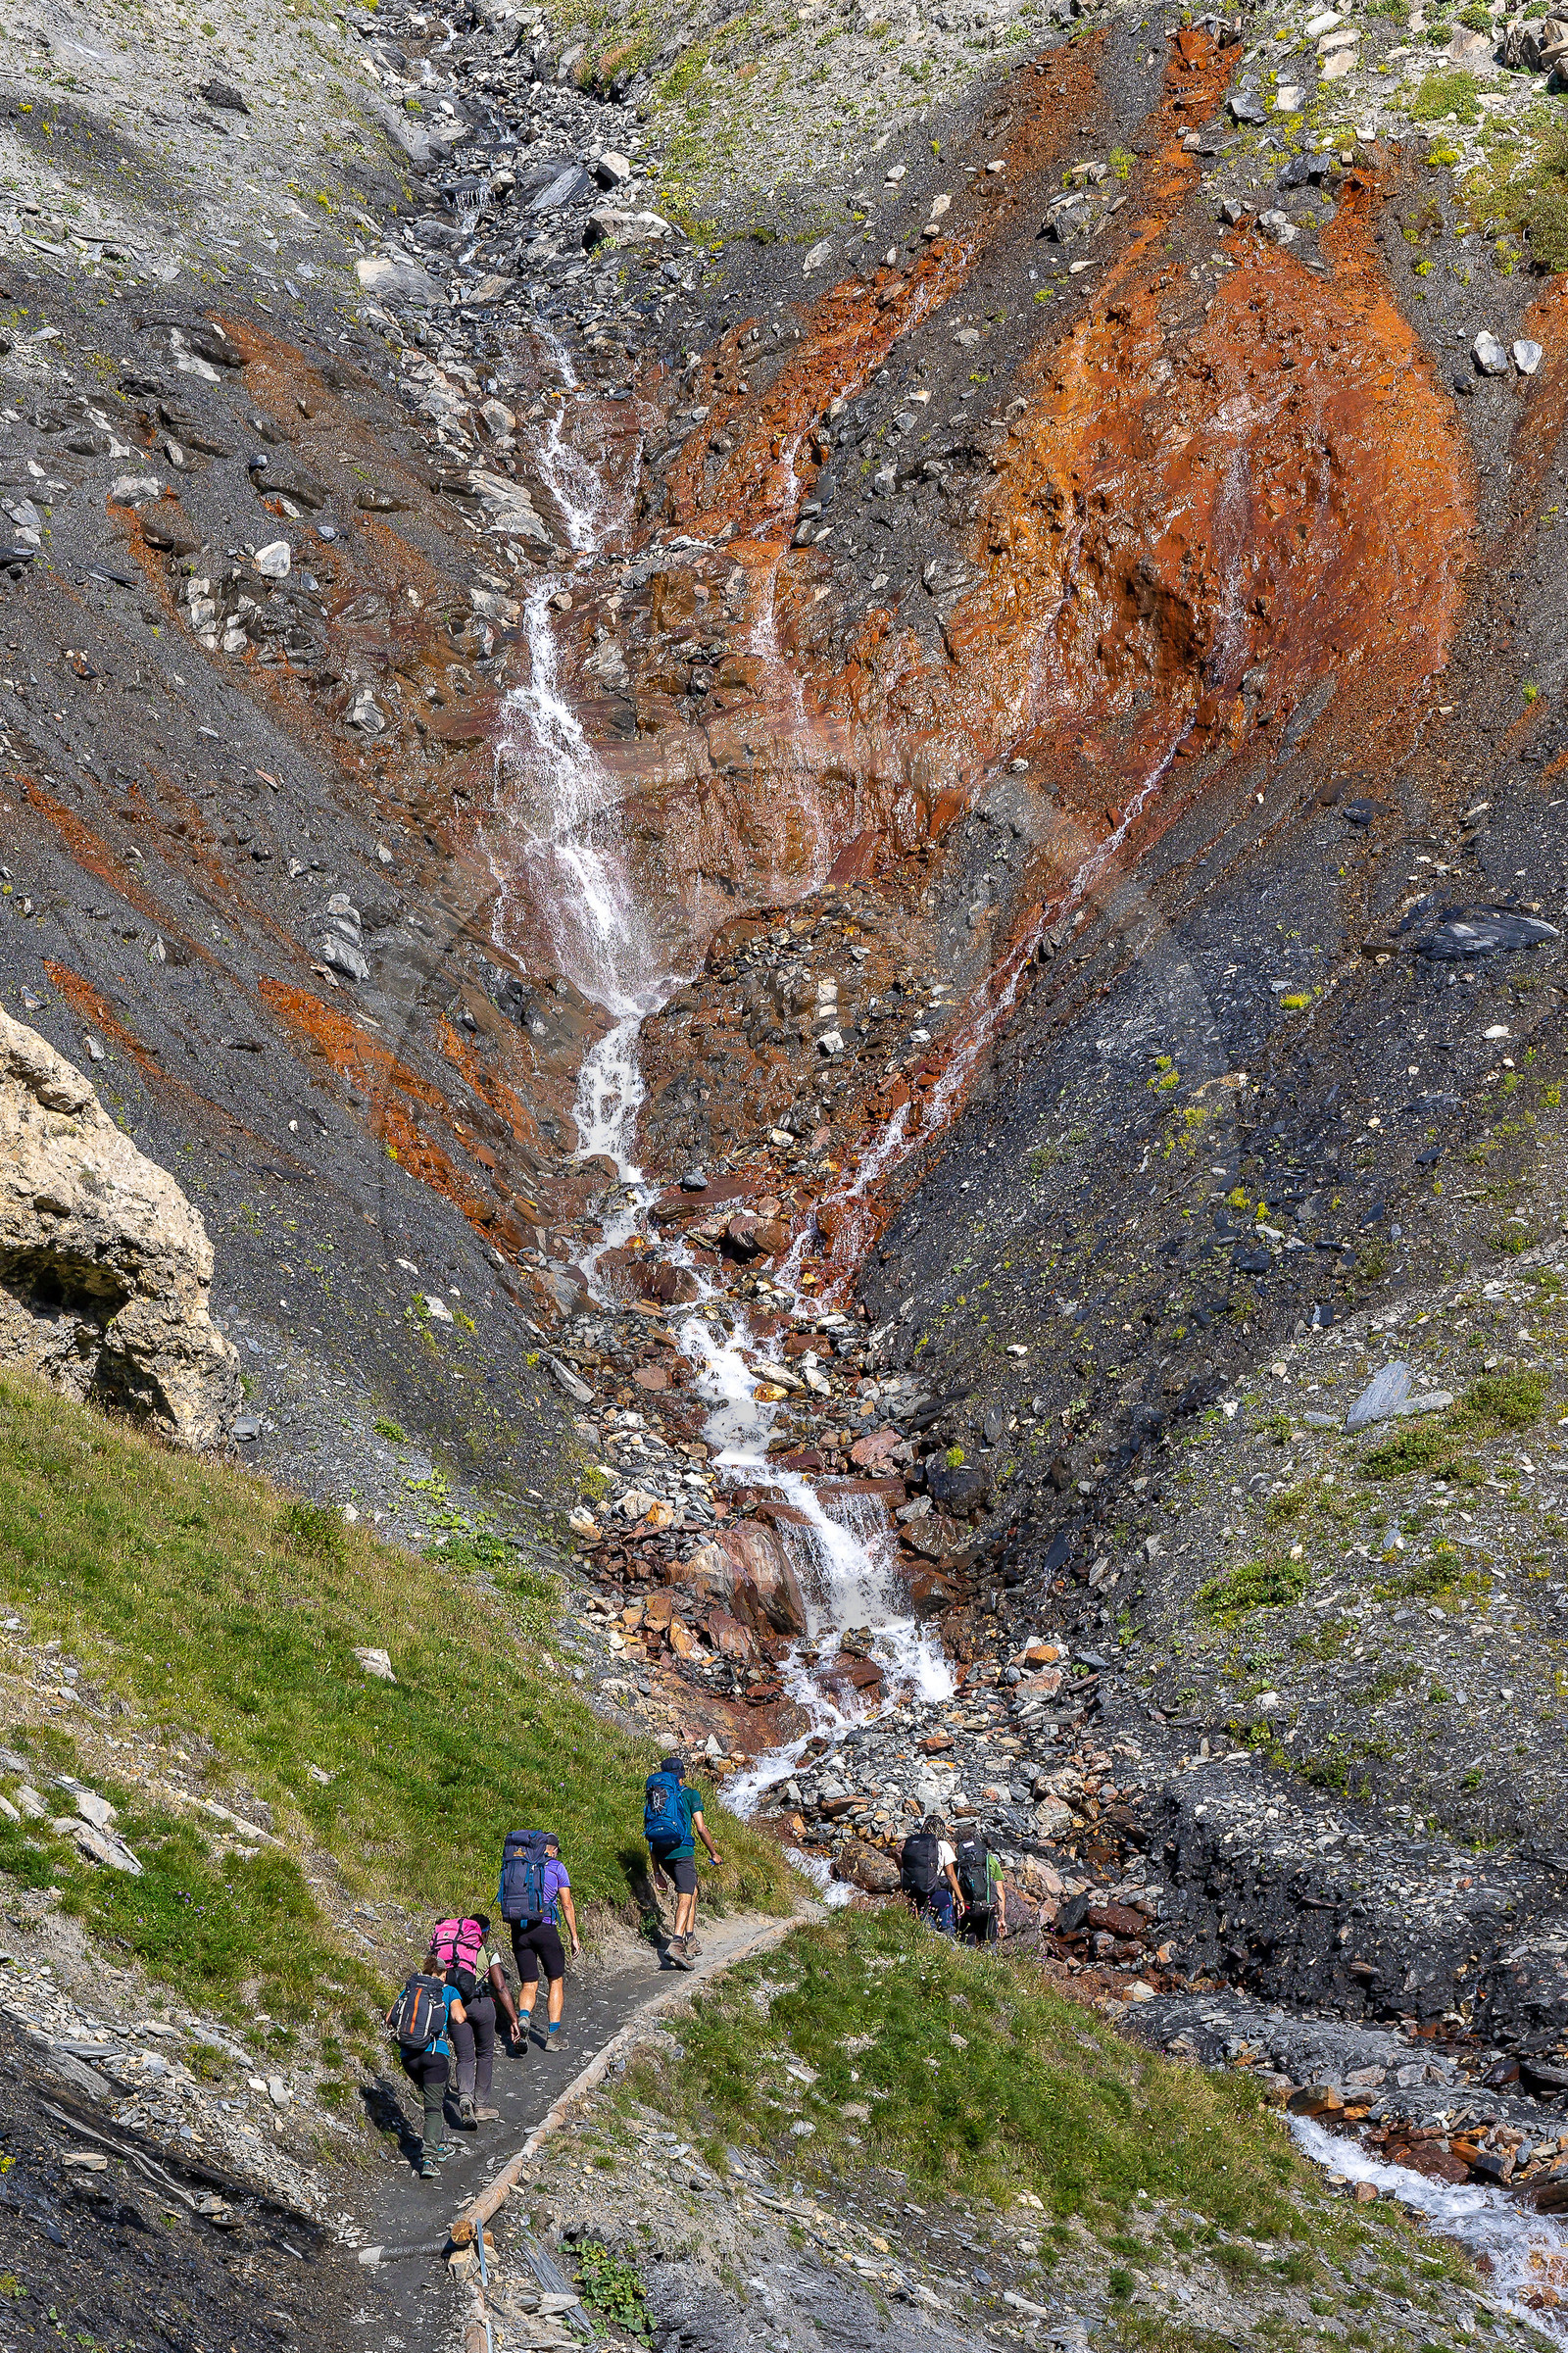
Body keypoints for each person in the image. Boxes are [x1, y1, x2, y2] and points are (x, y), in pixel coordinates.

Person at [426, 1911, 520, 2126]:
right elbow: (501, 1986)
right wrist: (513, 2019)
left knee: (465, 2056)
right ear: (484, 1933)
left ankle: (465, 2097)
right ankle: (482, 2105)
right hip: (483, 2005)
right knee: (485, 2053)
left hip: (455, 2005)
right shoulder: (487, 1950)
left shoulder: (448, 1951)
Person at [497, 1830, 580, 2056]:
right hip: (545, 1929)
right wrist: (574, 1936)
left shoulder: (518, 1864)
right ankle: (552, 2037)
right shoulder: (556, 1867)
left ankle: (524, 2016)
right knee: (555, 1980)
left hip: (520, 1929)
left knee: (529, 1983)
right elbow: (566, 1903)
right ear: (551, 1849)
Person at [387, 1964, 465, 2180]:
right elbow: (459, 2017)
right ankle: (429, 2158)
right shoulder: (447, 1990)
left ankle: (437, 2144)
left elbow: (389, 2017)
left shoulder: (411, 1989)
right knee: (433, 2106)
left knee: (433, 2098)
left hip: (409, 2057)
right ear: (442, 1973)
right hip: (434, 2054)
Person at [645, 1753, 721, 1970]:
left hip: (660, 1852)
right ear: (681, 1775)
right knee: (685, 1895)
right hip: (682, 1850)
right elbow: (701, 1828)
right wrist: (714, 1853)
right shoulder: (690, 1795)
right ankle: (677, 1942)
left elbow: (650, 1833)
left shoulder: (656, 1795)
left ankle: (690, 1939)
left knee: (692, 1889)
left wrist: (657, 1871)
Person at [899, 1814, 962, 1936]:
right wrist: (960, 1899)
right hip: (939, 1894)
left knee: (927, 1933)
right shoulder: (943, 1845)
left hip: (919, 1894)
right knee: (946, 1931)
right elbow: (950, 1875)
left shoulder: (915, 1845)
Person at [954, 1828, 1007, 1945]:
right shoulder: (989, 1859)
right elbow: (1000, 1891)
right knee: (989, 1944)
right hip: (987, 1908)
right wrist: (1001, 1918)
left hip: (967, 1909)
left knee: (967, 1946)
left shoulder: (958, 1863)